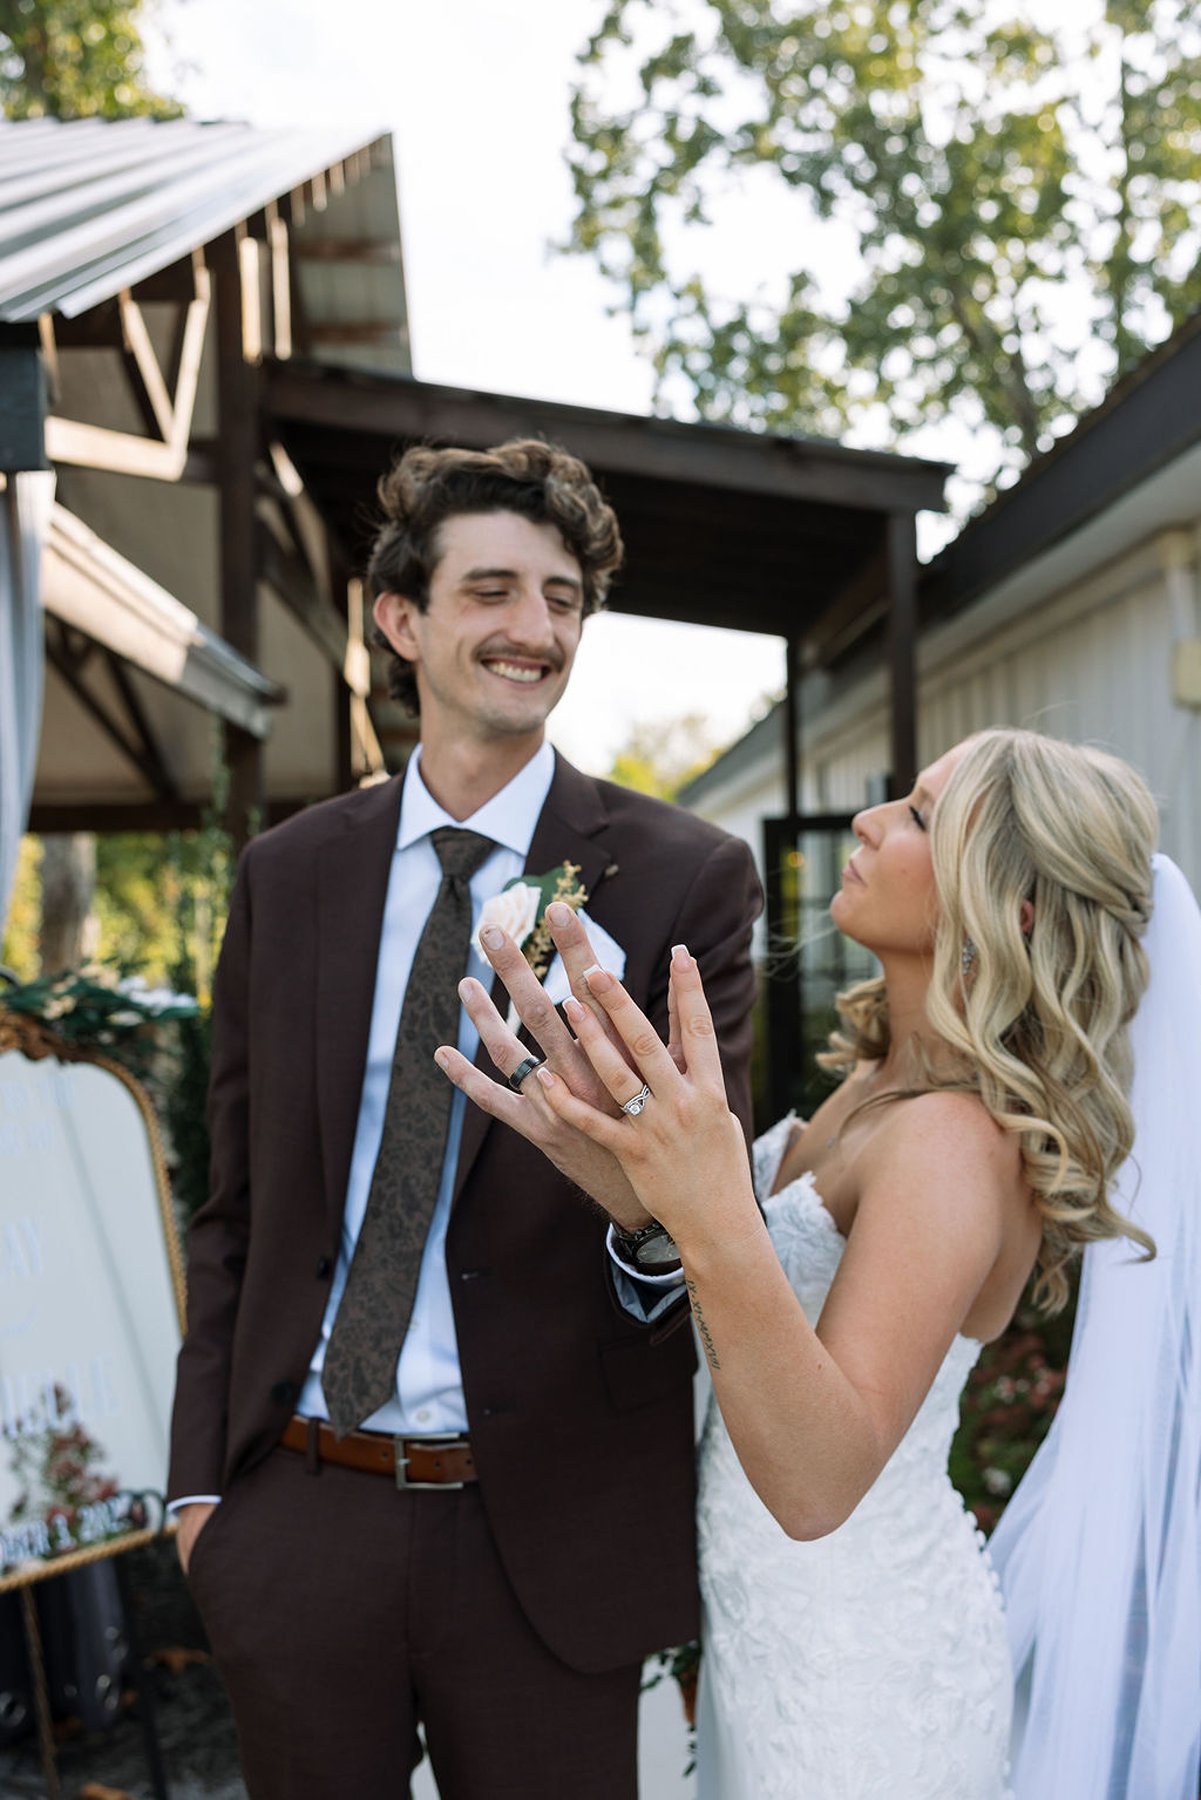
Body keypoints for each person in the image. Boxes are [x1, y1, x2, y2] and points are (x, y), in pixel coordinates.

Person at [166, 437, 762, 1800]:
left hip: (543, 1531)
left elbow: (696, 1213)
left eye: (561, 600)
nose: (533, 629)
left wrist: (637, 1198)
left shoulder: (682, 881)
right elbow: (233, 1206)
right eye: (493, 589)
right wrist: (203, 1497)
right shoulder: (289, 876)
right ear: (402, 619)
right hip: (299, 1509)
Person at [446, 726, 1188, 1798]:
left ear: (1011, 903)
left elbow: (813, 1485)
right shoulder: (878, 1083)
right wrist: (631, 1185)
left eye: (921, 817)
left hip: (862, 1688)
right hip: (778, 1644)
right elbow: (741, 1297)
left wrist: (704, 1212)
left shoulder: (947, 1141)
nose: (867, 822)